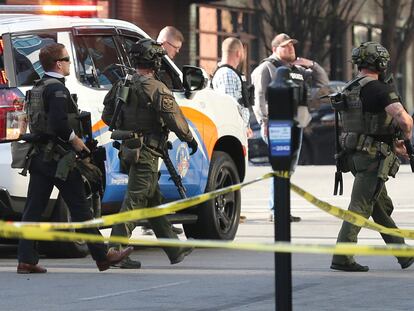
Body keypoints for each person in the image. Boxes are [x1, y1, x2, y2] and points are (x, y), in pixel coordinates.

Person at [17, 43, 132, 274]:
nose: (70, 63)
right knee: (81, 208)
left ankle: (26, 259)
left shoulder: (38, 87)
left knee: (33, 208)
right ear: (58, 64)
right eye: (67, 59)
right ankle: (103, 257)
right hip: (60, 159)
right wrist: (76, 141)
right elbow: (59, 124)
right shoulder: (58, 90)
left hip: (39, 156)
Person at [102, 38, 198, 269]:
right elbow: (174, 119)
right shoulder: (155, 87)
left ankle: (175, 249)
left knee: (153, 201)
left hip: (129, 149)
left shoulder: (121, 85)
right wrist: (189, 139)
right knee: (135, 200)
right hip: (147, 152)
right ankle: (114, 251)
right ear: (155, 61)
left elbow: (107, 116)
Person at [330, 41, 414, 272]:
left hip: (354, 156)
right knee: (360, 206)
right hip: (372, 159)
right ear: (381, 63)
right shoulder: (380, 89)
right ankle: (342, 257)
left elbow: (363, 125)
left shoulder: (349, 88)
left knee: (380, 206)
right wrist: (406, 138)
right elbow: (404, 120)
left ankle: (403, 252)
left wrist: (392, 144)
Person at [251, 33, 328, 223]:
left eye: (292, 45)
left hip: (297, 123)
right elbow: (259, 97)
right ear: (274, 49)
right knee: (280, 167)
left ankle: (281, 208)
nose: (291, 49)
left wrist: (312, 64)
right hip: (277, 125)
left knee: (288, 169)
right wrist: (264, 121)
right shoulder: (267, 68)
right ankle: (277, 210)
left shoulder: (297, 70)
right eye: (286, 46)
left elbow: (323, 82)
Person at [211, 37, 253, 137]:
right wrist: (241, 127)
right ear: (239, 53)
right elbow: (229, 107)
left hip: (235, 130)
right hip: (232, 131)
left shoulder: (227, 72)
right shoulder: (227, 74)